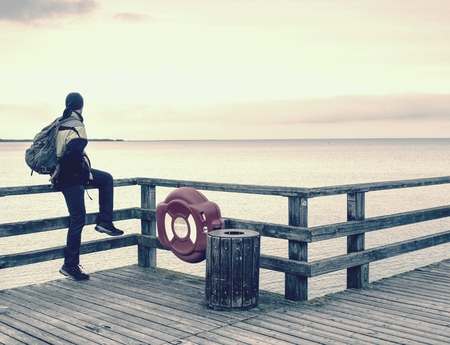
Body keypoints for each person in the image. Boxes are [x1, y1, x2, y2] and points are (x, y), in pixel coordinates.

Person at [54, 92, 124, 281]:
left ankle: (104, 222)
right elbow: (74, 155)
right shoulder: (77, 125)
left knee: (106, 179)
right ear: (81, 106)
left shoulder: (61, 122)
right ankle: (70, 265)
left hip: (63, 176)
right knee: (78, 220)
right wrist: (83, 174)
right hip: (71, 179)